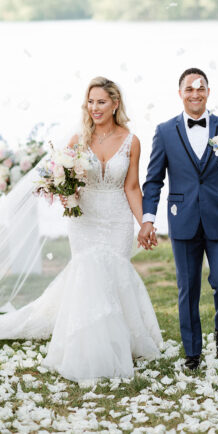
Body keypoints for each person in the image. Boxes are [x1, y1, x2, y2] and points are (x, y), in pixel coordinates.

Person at [0, 77, 162, 383]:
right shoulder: (78, 140)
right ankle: (87, 346)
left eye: (101, 101)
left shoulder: (132, 141)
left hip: (116, 218)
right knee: (88, 275)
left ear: (115, 104)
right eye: (90, 102)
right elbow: (60, 179)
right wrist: (64, 191)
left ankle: (119, 343)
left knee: (113, 275)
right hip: (83, 220)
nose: (95, 108)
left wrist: (146, 223)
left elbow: (131, 187)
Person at [138, 67, 218, 371]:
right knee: (187, 288)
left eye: (200, 88)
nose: (195, 93)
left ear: (208, 92)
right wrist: (148, 218)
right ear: (180, 94)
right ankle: (192, 351)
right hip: (183, 219)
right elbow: (153, 180)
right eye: (189, 88)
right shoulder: (165, 132)